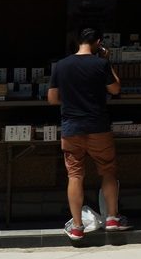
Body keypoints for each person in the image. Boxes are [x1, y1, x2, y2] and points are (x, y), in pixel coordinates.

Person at [48, 28, 126, 244]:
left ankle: (77, 227)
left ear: (77, 42)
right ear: (98, 42)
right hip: (98, 126)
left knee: (74, 175)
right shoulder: (100, 64)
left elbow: (52, 99)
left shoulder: (61, 65)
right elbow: (115, 89)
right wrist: (106, 60)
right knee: (108, 170)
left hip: (71, 128)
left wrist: (72, 101)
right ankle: (112, 218)